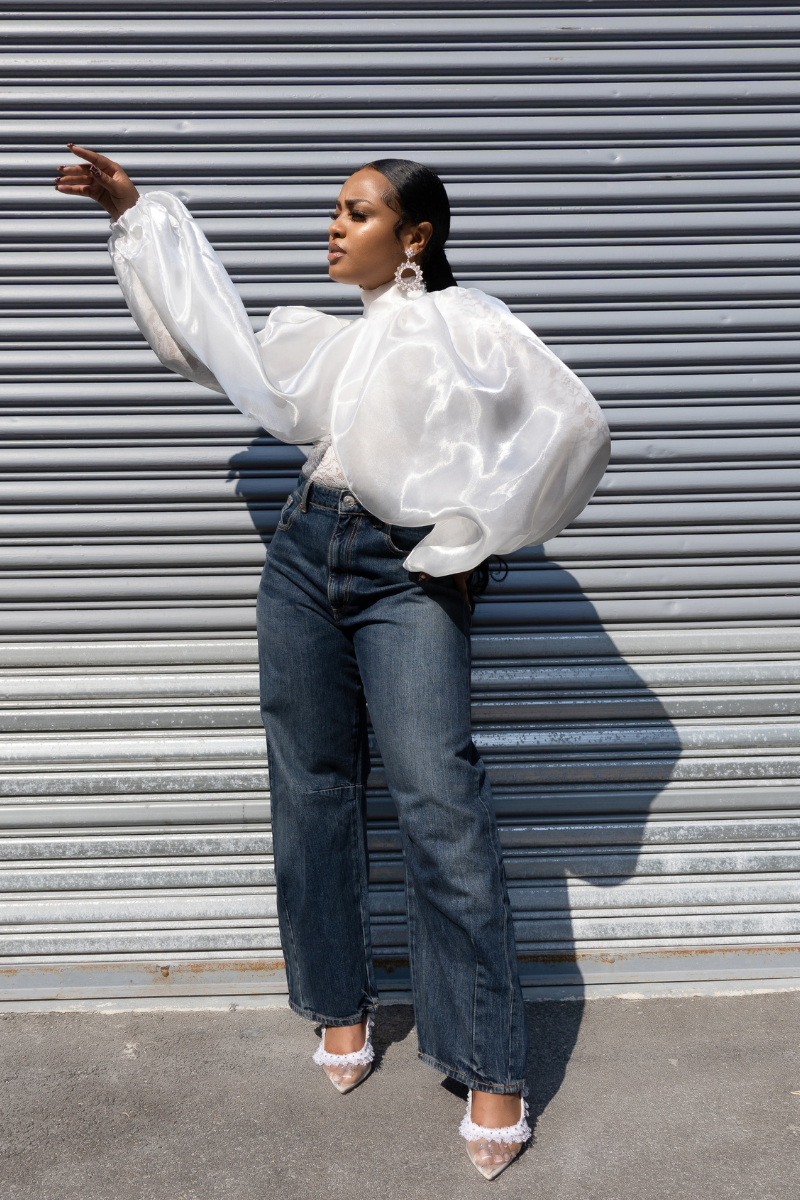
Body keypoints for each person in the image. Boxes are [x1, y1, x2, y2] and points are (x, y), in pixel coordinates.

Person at [55, 145, 610, 1180]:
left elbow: (573, 431)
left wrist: (464, 540)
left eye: (355, 213)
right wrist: (134, 214)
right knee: (309, 789)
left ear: (414, 238)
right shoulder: (324, 342)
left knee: (438, 801)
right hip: (305, 554)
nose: (332, 226)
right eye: (334, 210)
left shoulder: (474, 329)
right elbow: (208, 342)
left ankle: (491, 1065)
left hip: (406, 578)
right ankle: (337, 1007)